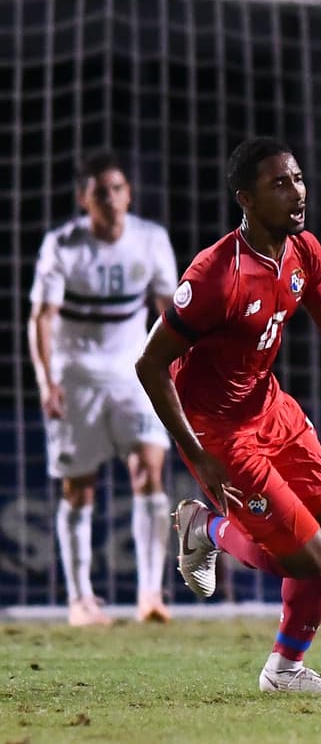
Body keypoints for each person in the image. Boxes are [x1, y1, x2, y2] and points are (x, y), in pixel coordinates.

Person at [134, 137, 321, 694]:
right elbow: (151, 366)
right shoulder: (214, 276)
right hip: (218, 431)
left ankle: (285, 670)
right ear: (245, 199)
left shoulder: (303, 251)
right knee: (309, 556)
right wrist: (197, 452)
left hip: (270, 408)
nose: (297, 192)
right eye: (279, 184)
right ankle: (207, 528)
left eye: (297, 179)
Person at [28, 149, 178, 627]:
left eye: (117, 189)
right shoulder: (62, 246)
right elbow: (42, 318)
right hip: (76, 377)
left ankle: (151, 594)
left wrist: (175, 368)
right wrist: (46, 380)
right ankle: (80, 601)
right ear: (84, 199)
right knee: (78, 488)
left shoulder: (151, 240)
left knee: (149, 472)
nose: (111, 200)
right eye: (100, 193)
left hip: (133, 372)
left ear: (128, 193)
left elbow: (169, 311)